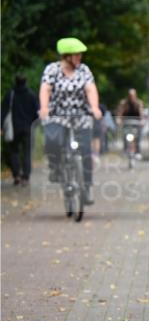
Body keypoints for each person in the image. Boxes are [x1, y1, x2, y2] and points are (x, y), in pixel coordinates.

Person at [39, 38, 103, 204]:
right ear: (66, 56)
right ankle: (55, 168)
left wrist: (95, 107)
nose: (80, 58)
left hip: (80, 116)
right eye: (76, 55)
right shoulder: (52, 70)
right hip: (57, 115)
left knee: (86, 152)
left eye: (80, 55)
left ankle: (86, 188)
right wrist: (44, 108)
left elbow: (90, 89)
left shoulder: (84, 70)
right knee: (52, 140)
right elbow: (45, 89)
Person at [2, 75, 39, 185]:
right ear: (25, 81)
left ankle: (16, 175)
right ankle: (26, 177)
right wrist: (33, 124)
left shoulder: (11, 94)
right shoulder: (31, 95)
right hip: (28, 128)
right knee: (27, 152)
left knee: (14, 151)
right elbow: (37, 112)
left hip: (14, 128)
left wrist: (0, 126)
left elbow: (3, 111)